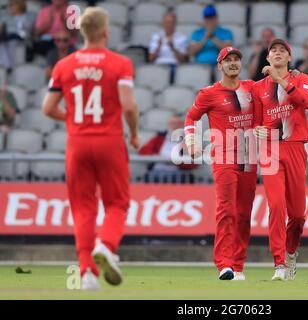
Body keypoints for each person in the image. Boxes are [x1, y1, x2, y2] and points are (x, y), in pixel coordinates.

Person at [42, 7, 140, 290]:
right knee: (117, 203)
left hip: (78, 143)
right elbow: (129, 106)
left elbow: (48, 108)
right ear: (106, 32)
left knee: (83, 207)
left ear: (82, 32)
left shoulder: (64, 65)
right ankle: (107, 246)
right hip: (109, 141)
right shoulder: (120, 64)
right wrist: (133, 134)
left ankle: (86, 274)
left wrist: (72, 117)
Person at [184, 47, 257, 281]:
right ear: (220, 66)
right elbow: (191, 117)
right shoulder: (208, 93)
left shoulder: (252, 88)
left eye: (236, 59)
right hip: (223, 157)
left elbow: (275, 92)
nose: (233, 63)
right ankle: (224, 265)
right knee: (227, 210)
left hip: (249, 158)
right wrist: (192, 142)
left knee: (244, 213)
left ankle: (238, 266)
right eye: (228, 60)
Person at [252, 39, 308, 281]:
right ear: (267, 59)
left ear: (289, 57)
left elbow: (306, 102)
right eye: (273, 51)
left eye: (282, 51)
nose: (277, 53)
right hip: (270, 151)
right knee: (276, 206)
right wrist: (259, 130)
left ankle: (290, 252)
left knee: (297, 215)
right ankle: (278, 263)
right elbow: (257, 120)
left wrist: (280, 80)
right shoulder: (258, 88)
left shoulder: (302, 79)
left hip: (296, 147)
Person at [139, 114, 197, 183]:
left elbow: (194, 161)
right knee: (149, 176)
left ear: (182, 125)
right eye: (172, 123)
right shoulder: (160, 137)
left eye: (177, 124)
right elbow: (143, 151)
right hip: (157, 171)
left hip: (178, 172)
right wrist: (156, 157)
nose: (174, 126)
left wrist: (178, 161)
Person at [0, 0, 36, 71]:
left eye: (12, 5)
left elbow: (29, 31)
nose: (10, 7)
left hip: (23, 39)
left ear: (20, 5)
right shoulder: (6, 18)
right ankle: (6, 67)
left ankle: (10, 67)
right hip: (7, 38)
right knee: (4, 41)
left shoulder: (30, 16)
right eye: (10, 5)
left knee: (12, 40)